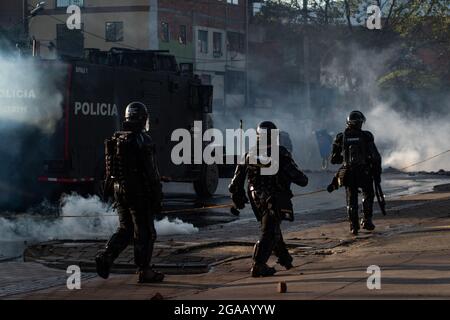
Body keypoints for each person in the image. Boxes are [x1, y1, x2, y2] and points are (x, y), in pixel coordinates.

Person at [95, 101, 164, 283]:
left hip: (119, 191)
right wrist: (158, 197)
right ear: (142, 119)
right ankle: (145, 271)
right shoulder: (143, 140)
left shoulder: (118, 137)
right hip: (139, 194)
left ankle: (106, 257)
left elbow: (110, 170)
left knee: (125, 229)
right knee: (146, 232)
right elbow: (152, 173)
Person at [229, 121, 309, 277]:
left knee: (272, 228)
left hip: (255, 199)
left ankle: (285, 259)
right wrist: (301, 178)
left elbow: (234, 184)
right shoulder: (280, 153)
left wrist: (238, 199)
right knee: (269, 231)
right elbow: (299, 178)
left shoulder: (249, 154)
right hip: (274, 198)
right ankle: (258, 264)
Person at [329, 110, 382, 235]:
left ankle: (354, 226)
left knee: (351, 198)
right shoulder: (367, 136)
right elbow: (375, 157)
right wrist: (377, 174)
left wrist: (345, 158)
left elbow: (333, 160)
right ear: (361, 122)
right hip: (364, 172)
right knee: (368, 195)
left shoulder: (340, 137)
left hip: (348, 172)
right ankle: (367, 220)